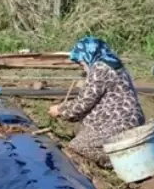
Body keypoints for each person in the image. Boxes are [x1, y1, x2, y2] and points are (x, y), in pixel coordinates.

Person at [47, 35, 146, 167]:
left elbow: (84, 103)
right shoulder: (111, 62)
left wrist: (60, 110)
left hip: (121, 122)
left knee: (78, 145)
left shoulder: (100, 68)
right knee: (82, 134)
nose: (81, 66)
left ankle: (122, 161)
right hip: (127, 118)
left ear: (88, 55)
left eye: (81, 62)